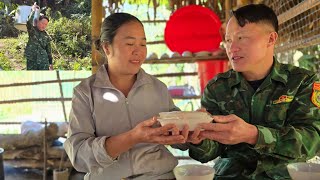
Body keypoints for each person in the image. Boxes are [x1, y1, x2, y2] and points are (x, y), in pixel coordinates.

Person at [184, 4, 320, 179]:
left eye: (242, 38)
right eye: (228, 40)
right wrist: (199, 140)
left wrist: (254, 135)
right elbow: (208, 153)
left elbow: (313, 141)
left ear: (271, 39)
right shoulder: (217, 88)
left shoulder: (302, 82)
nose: (232, 48)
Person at [64, 12, 188, 180]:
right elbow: (78, 155)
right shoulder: (85, 93)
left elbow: (180, 138)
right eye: (130, 43)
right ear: (107, 47)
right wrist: (133, 137)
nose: (138, 51)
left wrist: (193, 130)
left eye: (143, 44)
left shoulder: (158, 88)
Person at [24, 3, 53, 70]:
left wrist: (50, 63)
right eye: (43, 23)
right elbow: (29, 22)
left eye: (46, 24)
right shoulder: (33, 31)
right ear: (37, 22)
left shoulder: (46, 36)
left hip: (43, 61)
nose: (44, 26)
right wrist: (34, 11)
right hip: (32, 59)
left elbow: (49, 51)